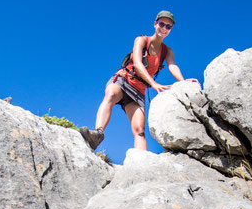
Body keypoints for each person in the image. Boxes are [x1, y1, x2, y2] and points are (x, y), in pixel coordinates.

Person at [80, 10, 198, 151]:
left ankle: (144, 163)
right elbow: (137, 63)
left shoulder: (167, 51)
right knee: (111, 95)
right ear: (155, 24)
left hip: (139, 89)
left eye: (168, 26)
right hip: (124, 79)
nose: (164, 29)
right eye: (162, 24)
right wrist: (153, 84)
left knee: (140, 131)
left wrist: (183, 81)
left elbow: (172, 65)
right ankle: (97, 135)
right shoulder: (142, 40)